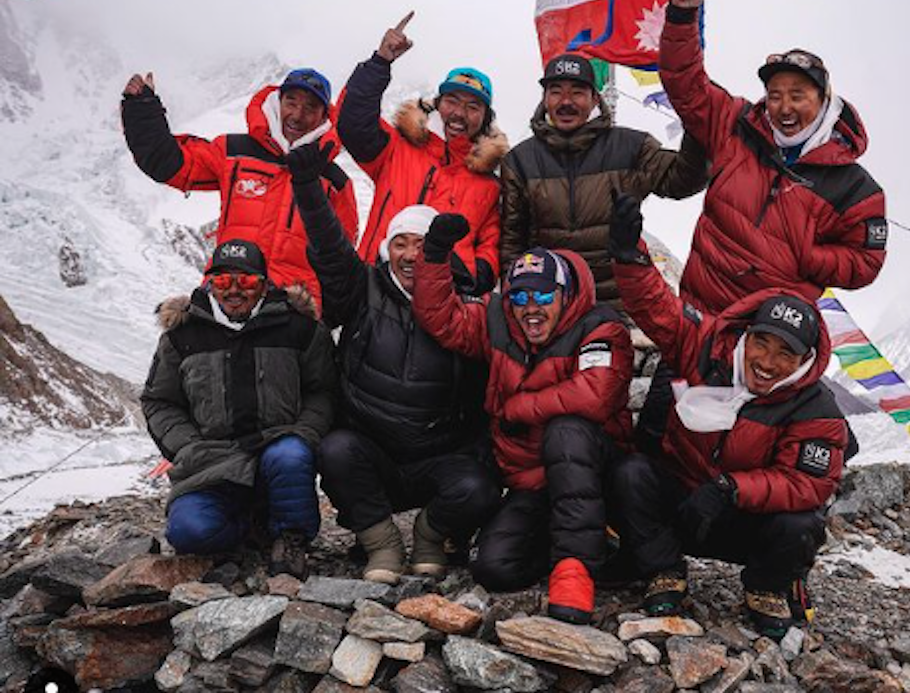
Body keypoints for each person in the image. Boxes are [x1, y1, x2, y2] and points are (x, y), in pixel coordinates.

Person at [608, 194, 849, 637]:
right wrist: (629, 256)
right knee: (630, 472)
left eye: (786, 354)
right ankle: (664, 569)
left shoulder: (817, 410)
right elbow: (658, 310)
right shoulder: (705, 346)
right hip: (682, 500)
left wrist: (731, 489)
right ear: (747, 334)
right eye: (762, 342)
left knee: (802, 523)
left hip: (742, 516)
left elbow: (808, 483)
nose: (767, 361)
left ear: (805, 361)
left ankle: (767, 586)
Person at [286, 142, 500, 584]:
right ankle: (381, 542)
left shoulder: (469, 305)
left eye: (420, 245)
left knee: (478, 486)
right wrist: (308, 188)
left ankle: (429, 534)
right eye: (399, 243)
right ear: (386, 250)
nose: (408, 254)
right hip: (372, 451)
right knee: (336, 451)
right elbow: (329, 250)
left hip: (441, 455)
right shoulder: (362, 287)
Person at [412, 216, 633, 625]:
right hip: (530, 480)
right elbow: (442, 319)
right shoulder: (499, 323)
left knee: (567, 430)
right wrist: (434, 257)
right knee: (494, 568)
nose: (531, 307)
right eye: (520, 296)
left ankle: (575, 571)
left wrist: (516, 408)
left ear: (565, 295)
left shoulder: (600, 327)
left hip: (596, 471)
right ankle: (577, 542)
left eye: (544, 295)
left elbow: (596, 394)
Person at [657, 0, 887, 314]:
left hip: (768, 338)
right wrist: (680, 17)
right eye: (775, 95)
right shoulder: (736, 125)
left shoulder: (855, 188)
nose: (784, 108)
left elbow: (865, 263)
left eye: (798, 96)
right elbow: (685, 84)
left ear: (824, 100)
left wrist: (808, 256)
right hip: (697, 321)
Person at [141, 238, 336, 580]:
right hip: (210, 462)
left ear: (262, 283)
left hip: (277, 450)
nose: (233, 290)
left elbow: (323, 392)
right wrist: (187, 447)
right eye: (222, 280)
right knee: (189, 534)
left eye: (245, 280)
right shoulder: (181, 336)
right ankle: (252, 528)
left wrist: (305, 435)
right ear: (210, 283)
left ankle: (290, 539)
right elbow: (160, 401)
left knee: (290, 456)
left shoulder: (299, 328)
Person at [121, 67, 358, 305]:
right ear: (278, 102)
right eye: (291, 102)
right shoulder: (235, 152)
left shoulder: (335, 182)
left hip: (293, 313)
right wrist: (142, 112)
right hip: (227, 295)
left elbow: (340, 260)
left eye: (310, 108)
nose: (297, 115)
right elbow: (169, 164)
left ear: (324, 117)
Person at [500, 52, 708, 310]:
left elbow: (683, 181)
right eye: (556, 92)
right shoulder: (519, 161)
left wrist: (697, 127)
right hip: (549, 306)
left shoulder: (632, 147)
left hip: (619, 306)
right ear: (544, 99)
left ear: (594, 98)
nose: (566, 102)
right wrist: (512, 304)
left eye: (577, 92)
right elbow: (511, 244)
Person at [337, 12, 507, 294]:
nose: (459, 114)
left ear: (485, 118)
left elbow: (490, 246)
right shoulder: (396, 148)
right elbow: (353, 123)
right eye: (452, 100)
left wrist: (472, 281)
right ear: (437, 104)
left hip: (445, 301)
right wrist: (380, 62)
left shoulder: (488, 183)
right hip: (376, 288)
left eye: (473, 107)